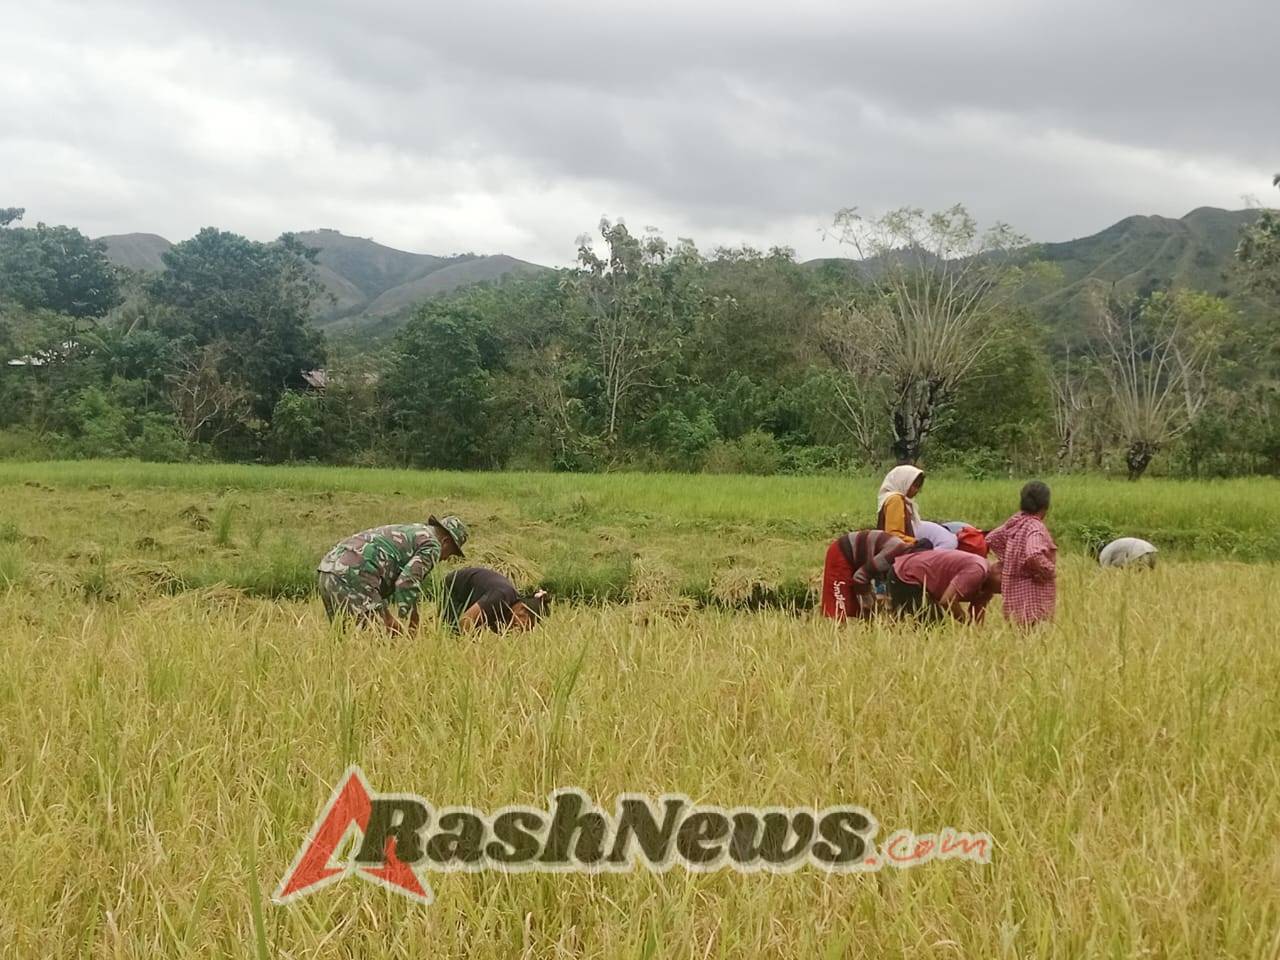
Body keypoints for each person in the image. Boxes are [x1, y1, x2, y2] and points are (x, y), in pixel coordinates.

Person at [317, 515, 469, 632]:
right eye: (451, 553)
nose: (446, 558)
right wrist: (411, 622)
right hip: (354, 574)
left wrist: (388, 617)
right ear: (446, 542)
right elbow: (407, 582)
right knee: (371, 641)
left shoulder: (414, 531)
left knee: (342, 637)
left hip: (328, 569)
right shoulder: (433, 545)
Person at [985, 481, 1057, 626]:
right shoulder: (1035, 527)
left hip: (1012, 597)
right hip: (1033, 599)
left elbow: (992, 538)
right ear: (1045, 506)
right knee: (1036, 641)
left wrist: (1010, 560)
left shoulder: (1015, 522)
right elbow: (1033, 554)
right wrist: (1048, 571)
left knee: (1019, 640)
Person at [821, 530, 929, 621]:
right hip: (842, 553)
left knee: (855, 607)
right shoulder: (892, 555)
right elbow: (860, 578)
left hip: (857, 561)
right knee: (840, 608)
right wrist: (869, 610)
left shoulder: (903, 560)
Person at [888, 549, 1001, 622]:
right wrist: (966, 622)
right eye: (1006, 583)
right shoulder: (977, 570)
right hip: (907, 574)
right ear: (998, 571)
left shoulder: (988, 588)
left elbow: (977, 615)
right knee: (933, 625)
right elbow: (947, 601)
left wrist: (976, 635)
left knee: (921, 623)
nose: (1004, 590)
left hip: (921, 580)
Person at [440, 566, 551, 632]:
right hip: (455, 587)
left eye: (525, 629)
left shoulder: (508, 608)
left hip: (475, 596)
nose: (519, 629)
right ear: (521, 609)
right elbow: (467, 619)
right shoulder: (500, 597)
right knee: (451, 631)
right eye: (524, 623)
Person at [876, 465, 925, 544]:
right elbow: (894, 535)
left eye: (918, 487)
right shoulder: (895, 500)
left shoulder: (892, 499)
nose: (917, 491)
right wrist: (916, 542)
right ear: (904, 482)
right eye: (915, 486)